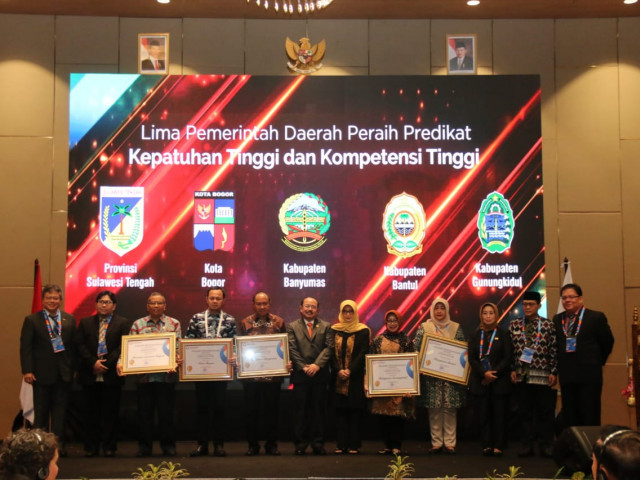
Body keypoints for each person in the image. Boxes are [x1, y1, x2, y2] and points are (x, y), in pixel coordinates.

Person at [117, 292, 181, 457]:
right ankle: (145, 447)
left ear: (165, 306)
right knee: (144, 415)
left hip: (166, 377)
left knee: (166, 414)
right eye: (153, 303)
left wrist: (176, 361)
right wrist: (121, 362)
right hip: (144, 378)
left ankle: (168, 446)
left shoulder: (174, 323)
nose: (156, 306)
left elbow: (178, 348)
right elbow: (129, 348)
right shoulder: (138, 324)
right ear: (147, 306)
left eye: (159, 303)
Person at [19, 284, 75, 456]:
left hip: (63, 375)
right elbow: (26, 348)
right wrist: (27, 370)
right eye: (49, 298)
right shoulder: (32, 320)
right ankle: (40, 447)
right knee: (41, 414)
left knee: (60, 414)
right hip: (40, 375)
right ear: (43, 300)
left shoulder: (69, 319)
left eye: (55, 298)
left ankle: (57, 447)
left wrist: (73, 369)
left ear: (60, 300)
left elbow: (73, 347)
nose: (52, 301)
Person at [75, 290, 131, 457]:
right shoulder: (85, 322)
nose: (104, 305)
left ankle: (109, 447)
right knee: (90, 414)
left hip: (111, 374)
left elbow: (123, 346)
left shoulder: (122, 323)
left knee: (110, 414)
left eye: (107, 302)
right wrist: (93, 362)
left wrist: (106, 363)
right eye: (101, 302)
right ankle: (91, 447)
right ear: (96, 304)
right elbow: (79, 345)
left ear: (114, 306)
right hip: (90, 373)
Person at [553, 283, 614, 428]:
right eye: (564, 298)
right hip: (567, 377)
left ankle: (591, 443)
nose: (567, 300)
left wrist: (596, 361)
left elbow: (608, 342)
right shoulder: (557, 319)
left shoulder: (596, 317)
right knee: (570, 418)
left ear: (580, 299)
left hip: (589, 377)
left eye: (571, 297)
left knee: (589, 416)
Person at [185, 287, 236, 458]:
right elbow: (188, 341)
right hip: (201, 372)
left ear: (223, 300)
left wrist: (234, 356)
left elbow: (234, 343)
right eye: (212, 298)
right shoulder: (196, 318)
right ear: (206, 299)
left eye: (218, 298)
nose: (215, 301)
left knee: (220, 408)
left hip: (222, 371)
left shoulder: (230, 320)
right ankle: (202, 445)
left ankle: (219, 445)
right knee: (202, 408)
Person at [236, 291, 288, 456]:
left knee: (272, 412)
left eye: (265, 303)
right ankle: (253, 445)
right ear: (253, 305)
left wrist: (286, 361)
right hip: (251, 377)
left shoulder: (279, 322)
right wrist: (239, 360)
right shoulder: (245, 323)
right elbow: (238, 347)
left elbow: (285, 347)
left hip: (273, 377)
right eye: (259, 303)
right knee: (251, 412)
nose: (262, 306)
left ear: (269, 304)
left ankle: (271, 445)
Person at [414, 298, 466, 455]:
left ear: (447, 310)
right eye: (436, 308)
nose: (439, 311)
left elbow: (463, 351)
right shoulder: (425, 327)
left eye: (442, 308)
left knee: (450, 409)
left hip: (451, 377)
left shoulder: (456, 327)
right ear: (432, 310)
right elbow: (416, 349)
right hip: (431, 377)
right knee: (434, 409)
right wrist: (420, 366)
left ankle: (450, 443)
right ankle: (436, 443)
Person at [509, 291, 558, 458]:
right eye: (525, 304)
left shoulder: (548, 325)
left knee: (545, 413)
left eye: (531, 304)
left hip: (543, 375)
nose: (527, 307)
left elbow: (553, 350)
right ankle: (527, 445)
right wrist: (512, 369)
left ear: (539, 305)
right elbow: (510, 350)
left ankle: (546, 445)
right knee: (525, 413)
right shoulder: (514, 324)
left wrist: (553, 371)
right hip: (522, 375)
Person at [287, 297, 334, 456]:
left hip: (320, 375)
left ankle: (318, 444)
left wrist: (316, 365)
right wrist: (303, 366)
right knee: (300, 412)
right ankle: (300, 444)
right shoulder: (292, 326)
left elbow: (329, 348)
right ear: (300, 308)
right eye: (307, 306)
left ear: (318, 310)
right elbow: (291, 348)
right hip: (300, 375)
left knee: (318, 411)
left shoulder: (326, 326)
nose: (309, 309)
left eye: (313, 307)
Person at [468, 302, 513, 456]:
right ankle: (486, 444)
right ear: (481, 316)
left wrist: (493, 373)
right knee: (483, 415)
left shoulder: (504, 333)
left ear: (496, 315)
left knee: (499, 415)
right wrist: (484, 373)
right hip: (480, 381)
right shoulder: (475, 335)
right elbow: (472, 358)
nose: (488, 316)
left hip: (499, 381)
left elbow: (507, 357)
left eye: (491, 313)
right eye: (485, 313)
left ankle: (499, 445)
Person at [369, 309, 415, 456]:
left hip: (399, 386)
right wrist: (370, 384)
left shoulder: (406, 340)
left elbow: (412, 363)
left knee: (397, 417)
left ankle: (396, 446)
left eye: (395, 321)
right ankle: (388, 446)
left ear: (399, 322)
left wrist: (410, 386)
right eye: (389, 321)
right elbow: (370, 363)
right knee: (383, 417)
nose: (392, 323)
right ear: (385, 322)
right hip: (382, 386)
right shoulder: (378, 340)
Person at [331, 299, 370, 455]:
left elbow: (363, 352)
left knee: (355, 411)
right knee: (340, 412)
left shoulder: (363, 331)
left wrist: (350, 370)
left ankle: (354, 444)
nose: (348, 314)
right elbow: (330, 353)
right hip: (337, 377)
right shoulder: (334, 330)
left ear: (355, 313)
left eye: (350, 311)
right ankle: (341, 445)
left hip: (355, 377)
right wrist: (338, 370)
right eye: (345, 311)